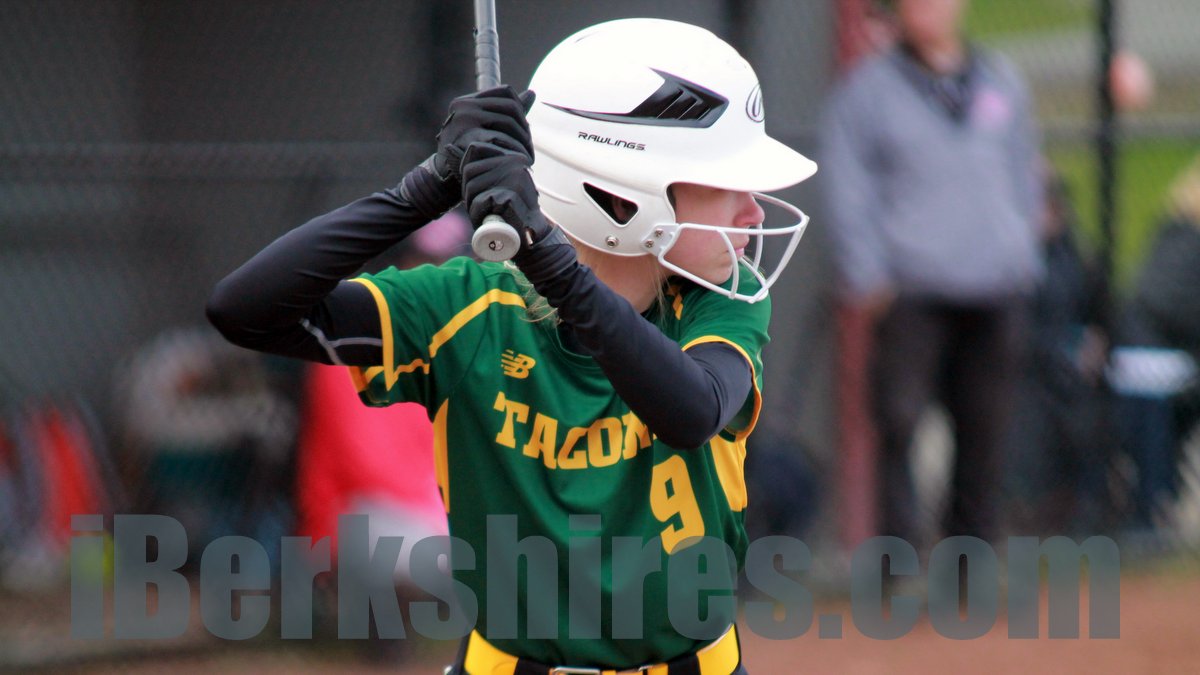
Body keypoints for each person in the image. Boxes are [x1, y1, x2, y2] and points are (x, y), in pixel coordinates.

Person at [207, 17, 816, 675]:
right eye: (728, 185)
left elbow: (690, 409)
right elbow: (244, 311)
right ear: (622, 197)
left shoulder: (721, 297)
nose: (754, 211)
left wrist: (550, 261)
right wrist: (426, 188)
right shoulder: (466, 306)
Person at [819, 0, 1043, 551]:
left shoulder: (1000, 79)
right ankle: (897, 563)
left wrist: (1022, 251)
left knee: (985, 433)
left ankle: (971, 561)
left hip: (994, 285)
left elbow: (1024, 171)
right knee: (898, 426)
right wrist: (867, 273)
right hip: (911, 288)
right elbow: (848, 186)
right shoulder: (868, 90)